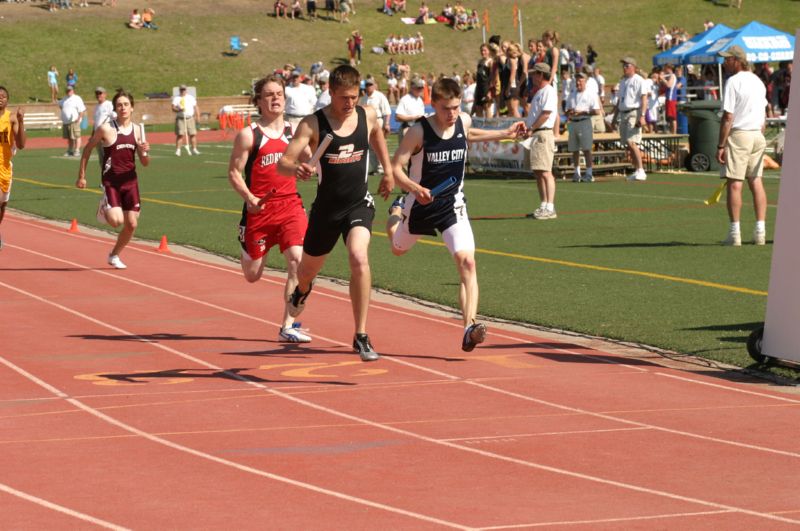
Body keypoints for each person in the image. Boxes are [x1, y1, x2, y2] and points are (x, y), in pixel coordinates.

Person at [387, 78, 523, 351]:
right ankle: (396, 211)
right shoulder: (418, 132)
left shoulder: (463, 120)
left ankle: (470, 327)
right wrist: (415, 188)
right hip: (420, 205)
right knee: (397, 248)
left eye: (456, 107)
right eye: (445, 108)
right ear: (433, 104)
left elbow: (470, 135)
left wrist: (506, 132)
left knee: (467, 262)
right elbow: (395, 168)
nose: (451, 114)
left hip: (452, 204)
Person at [277, 65, 394, 362]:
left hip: (358, 203)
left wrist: (389, 171)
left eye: (354, 97)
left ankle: (361, 335)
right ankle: (302, 291)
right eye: (344, 98)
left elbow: (378, 135)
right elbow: (284, 163)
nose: (349, 103)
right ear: (330, 92)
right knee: (306, 273)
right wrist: (297, 168)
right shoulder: (313, 124)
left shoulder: (367, 115)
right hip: (326, 210)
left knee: (359, 257)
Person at [228, 75, 313, 342]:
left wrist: (307, 168)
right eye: (269, 94)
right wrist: (249, 198)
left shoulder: (294, 131)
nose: (275, 98)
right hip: (259, 211)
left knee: (298, 263)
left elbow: (308, 161)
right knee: (252, 275)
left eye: (279, 93)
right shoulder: (249, 134)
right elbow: (234, 172)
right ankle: (244, 239)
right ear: (259, 102)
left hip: (290, 206)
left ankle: (287, 325)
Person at [76, 89, 150, 269]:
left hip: (131, 183)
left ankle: (114, 255)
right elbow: (87, 149)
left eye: (126, 104)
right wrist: (82, 176)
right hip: (111, 183)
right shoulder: (106, 129)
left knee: (131, 224)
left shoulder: (139, 129)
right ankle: (104, 205)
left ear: (132, 108)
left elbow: (145, 162)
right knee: (117, 221)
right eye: (119, 105)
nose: (123, 108)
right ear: (115, 108)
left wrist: (143, 151)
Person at [716, 45, 768, 247]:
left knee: (735, 183)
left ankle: (735, 232)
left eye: (727, 59)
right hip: (757, 134)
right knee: (756, 181)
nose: (724, 63)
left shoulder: (733, 81)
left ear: (737, 60)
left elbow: (728, 116)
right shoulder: (758, 81)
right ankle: (760, 231)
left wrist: (721, 144)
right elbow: (763, 114)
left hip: (740, 134)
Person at [524, 62, 558, 220]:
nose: (532, 76)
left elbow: (546, 114)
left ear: (540, 75)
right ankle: (544, 204)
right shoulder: (539, 92)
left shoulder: (549, 91)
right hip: (536, 133)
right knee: (538, 171)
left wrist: (532, 128)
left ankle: (550, 207)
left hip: (543, 133)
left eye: (534, 74)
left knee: (545, 172)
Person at [0, 86, 27, 250]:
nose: (0, 98)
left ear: (7, 100)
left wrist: (21, 121)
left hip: (5, 169)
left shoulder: (11, 118)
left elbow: (22, 145)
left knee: (2, 206)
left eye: (3, 96)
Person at [613, 56, 648, 181]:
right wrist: (614, 117)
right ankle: (637, 169)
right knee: (627, 144)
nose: (624, 68)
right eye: (623, 65)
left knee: (632, 142)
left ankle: (641, 170)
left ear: (633, 67)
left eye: (627, 65)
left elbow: (644, 99)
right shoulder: (623, 81)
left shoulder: (638, 80)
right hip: (623, 113)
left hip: (634, 112)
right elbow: (619, 101)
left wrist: (642, 115)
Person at [565, 72, 601, 183]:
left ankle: (589, 173)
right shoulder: (572, 94)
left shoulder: (591, 94)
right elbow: (567, 110)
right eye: (577, 79)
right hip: (573, 122)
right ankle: (577, 173)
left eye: (581, 79)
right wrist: (570, 112)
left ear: (585, 81)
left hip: (584, 121)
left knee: (586, 149)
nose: (578, 82)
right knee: (574, 149)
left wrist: (582, 112)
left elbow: (597, 111)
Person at [359, 76, 391, 175]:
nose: (368, 87)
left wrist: (386, 123)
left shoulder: (380, 96)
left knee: (380, 145)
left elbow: (387, 111)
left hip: (378, 121)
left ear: (375, 86)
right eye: (367, 85)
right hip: (367, 123)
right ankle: (375, 168)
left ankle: (381, 167)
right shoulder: (364, 98)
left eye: (370, 85)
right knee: (370, 146)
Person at [171, 84, 200, 156]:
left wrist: (198, 116)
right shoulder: (176, 98)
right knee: (180, 134)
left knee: (192, 134)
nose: (183, 91)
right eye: (181, 89)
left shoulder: (190, 97)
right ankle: (178, 150)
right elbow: (173, 108)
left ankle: (194, 149)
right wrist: (179, 109)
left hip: (190, 118)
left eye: (184, 89)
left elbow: (196, 107)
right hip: (180, 119)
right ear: (179, 90)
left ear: (186, 90)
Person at [395, 76, 426, 141]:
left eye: (421, 88)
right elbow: (397, 117)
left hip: (419, 130)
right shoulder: (405, 99)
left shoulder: (420, 100)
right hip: (407, 129)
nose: (420, 90)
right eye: (418, 88)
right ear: (412, 88)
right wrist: (414, 117)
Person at [59, 85, 86, 157]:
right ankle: (70, 150)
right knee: (69, 137)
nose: (69, 91)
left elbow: (82, 110)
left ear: (73, 90)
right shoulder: (64, 99)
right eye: (67, 90)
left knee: (76, 136)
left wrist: (79, 118)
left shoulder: (77, 98)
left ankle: (77, 150)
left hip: (74, 121)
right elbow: (60, 105)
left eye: (70, 90)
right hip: (66, 122)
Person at [92, 86, 115, 170]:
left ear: (105, 94)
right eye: (97, 93)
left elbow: (114, 117)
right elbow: (95, 123)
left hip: (106, 135)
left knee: (108, 158)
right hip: (97, 136)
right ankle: (104, 179)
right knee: (101, 159)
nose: (98, 95)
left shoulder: (109, 104)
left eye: (100, 93)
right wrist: (93, 136)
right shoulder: (96, 107)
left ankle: (111, 179)